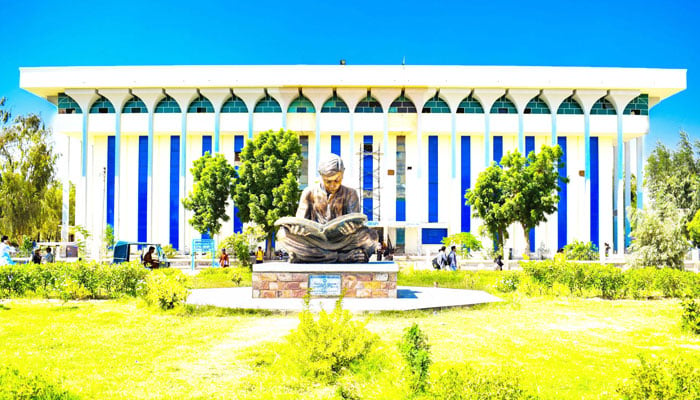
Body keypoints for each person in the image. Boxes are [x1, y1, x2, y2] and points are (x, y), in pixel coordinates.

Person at [277, 153, 378, 263]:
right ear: (321, 176)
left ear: (342, 175)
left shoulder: (351, 193)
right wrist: (297, 229)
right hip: (314, 241)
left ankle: (308, 257)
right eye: (328, 181)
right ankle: (342, 258)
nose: (333, 185)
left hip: (342, 241)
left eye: (337, 180)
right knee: (283, 234)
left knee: (371, 236)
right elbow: (300, 221)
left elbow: (356, 221)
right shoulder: (309, 192)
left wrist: (352, 228)